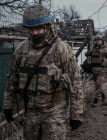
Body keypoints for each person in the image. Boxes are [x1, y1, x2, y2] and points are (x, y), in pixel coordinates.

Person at [3, 4, 84, 140]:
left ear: (47, 26)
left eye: (38, 28)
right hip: (31, 112)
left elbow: (75, 82)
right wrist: (8, 105)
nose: (34, 33)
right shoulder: (21, 50)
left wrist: (76, 114)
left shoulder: (61, 49)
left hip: (55, 112)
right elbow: (12, 79)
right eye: (31, 29)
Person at [83, 34, 107, 107]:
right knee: (98, 85)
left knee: (98, 84)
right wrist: (87, 53)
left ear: (102, 40)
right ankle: (103, 95)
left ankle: (96, 101)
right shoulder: (93, 48)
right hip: (94, 69)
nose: (98, 41)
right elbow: (87, 55)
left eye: (99, 40)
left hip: (102, 69)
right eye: (97, 40)